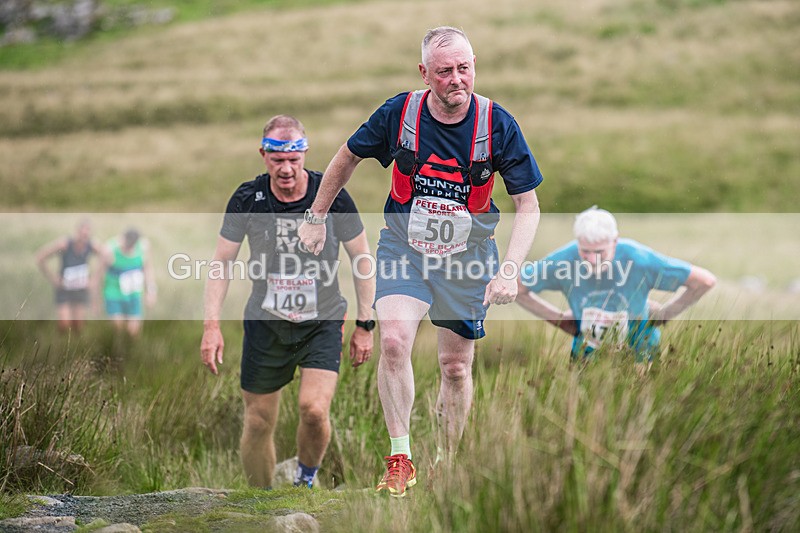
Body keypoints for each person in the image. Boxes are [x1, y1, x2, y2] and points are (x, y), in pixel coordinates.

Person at [298, 27, 543, 497]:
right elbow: (346, 158)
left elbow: (527, 205)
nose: (457, 79)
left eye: (465, 68)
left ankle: (450, 464)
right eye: (445, 71)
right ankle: (400, 459)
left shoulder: (497, 124)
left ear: (475, 65)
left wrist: (509, 269)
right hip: (403, 250)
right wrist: (316, 215)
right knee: (392, 341)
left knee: (454, 367)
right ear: (425, 73)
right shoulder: (399, 113)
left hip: (467, 259)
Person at [200, 115, 375, 490]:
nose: (286, 168)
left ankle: (304, 483)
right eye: (277, 159)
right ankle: (261, 502)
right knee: (258, 421)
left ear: (304, 154)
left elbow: (362, 259)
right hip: (266, 324)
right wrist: (211, 326)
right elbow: (221, 264)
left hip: (322, 322)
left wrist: (365, 324)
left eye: (293, 159)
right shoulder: (248, 198)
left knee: (314, 410)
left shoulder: (332, 196)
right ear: (264, 155)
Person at [516, 206, 717, 373]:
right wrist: (559, 319)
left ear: (615, 241)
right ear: (578, 243)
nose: (592, 259)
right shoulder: (564, 260)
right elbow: (516, 287)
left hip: (640, 354)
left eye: (600, 252)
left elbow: (704, 281)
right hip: (586, 355)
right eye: (585, 251)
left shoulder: (639, 259)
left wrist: (665, 314)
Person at [36, 219, 102, 333]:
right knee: (64, 324)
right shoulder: (65, 244)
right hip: (64, 288)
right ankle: (60, 346)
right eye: (82, 232)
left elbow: (107, 256)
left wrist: (94, 279)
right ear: (77, 231)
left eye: (87, 233)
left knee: (78, 325)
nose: (84, 235)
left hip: (80, 289)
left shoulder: (91, 245)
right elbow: (40, 257)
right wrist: (53, 278)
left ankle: (75, 348)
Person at [99, 228, 157, 337]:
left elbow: (148, 269)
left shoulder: (144, 246)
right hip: (113, 293)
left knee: (133, 331)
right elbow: (99, 275)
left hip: (133, 294)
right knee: (118, 328)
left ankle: (132, 351)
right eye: (126, 246)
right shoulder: (109, 249)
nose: (128, 249)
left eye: (131, 247)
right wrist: (96, 300)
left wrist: (151, 291)